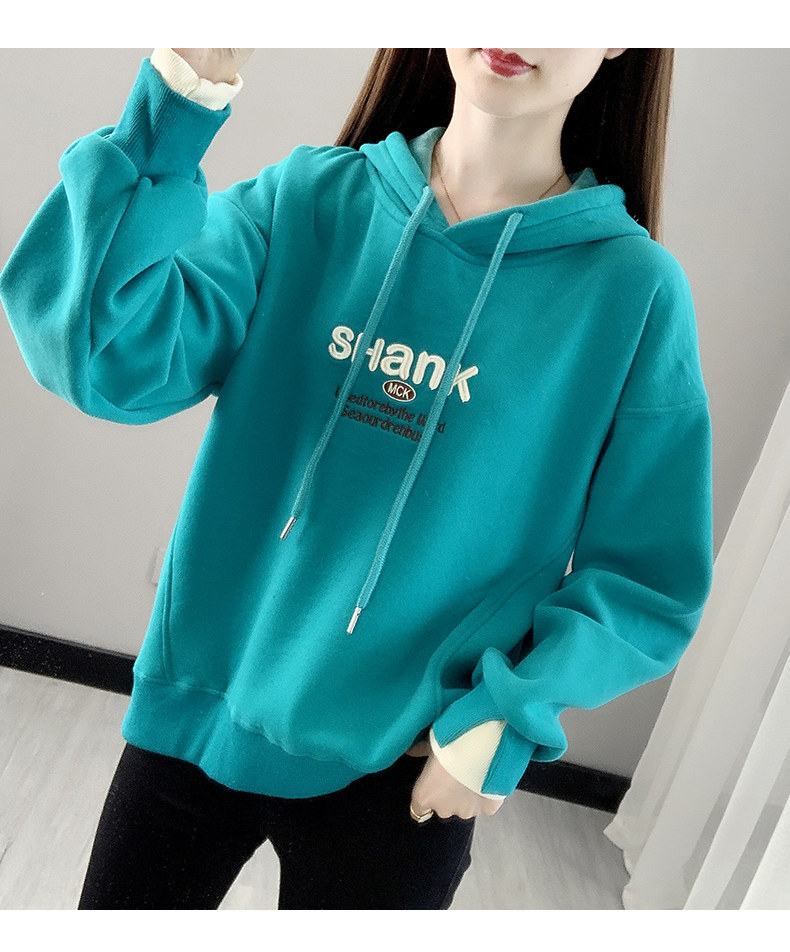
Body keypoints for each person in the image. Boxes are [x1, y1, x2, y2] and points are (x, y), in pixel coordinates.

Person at [0, 47, 714, 910]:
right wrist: (178, 99)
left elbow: (646, 576)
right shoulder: (308, 199)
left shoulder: (632, 293)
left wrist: (505, 714)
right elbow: (102, 352)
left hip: (407, 765)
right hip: (199, 711)